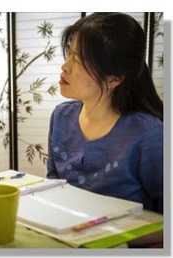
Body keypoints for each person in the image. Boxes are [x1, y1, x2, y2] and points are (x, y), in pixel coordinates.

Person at [47, 13, 163, 246]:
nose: (65, 66)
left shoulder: (149, 134)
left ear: (114, 79)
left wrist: (105, 236)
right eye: (69, 52)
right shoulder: (60, 117)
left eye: (78, 59)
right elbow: (53, 189)